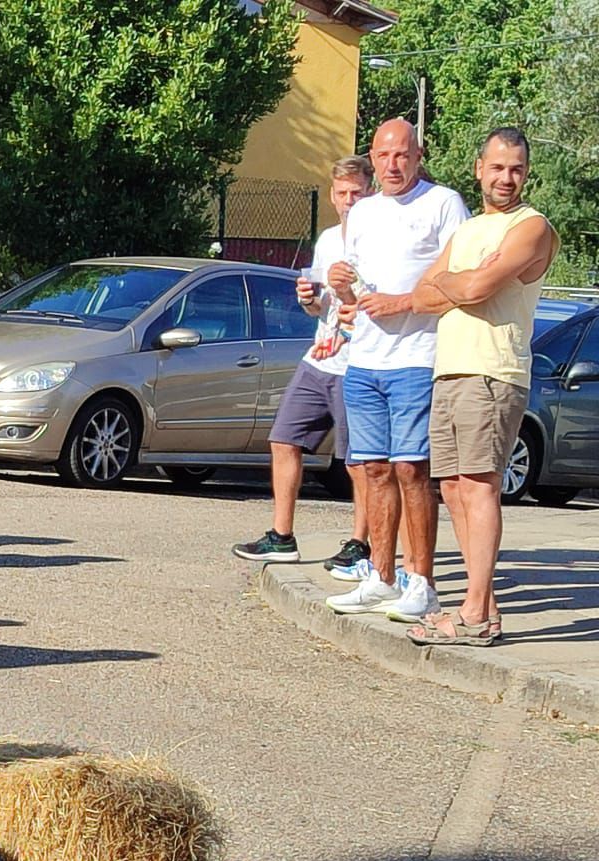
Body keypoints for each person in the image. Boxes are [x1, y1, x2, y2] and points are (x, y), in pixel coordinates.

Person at [404, 127, 559, 647]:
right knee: (452, 487)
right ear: (478, 169)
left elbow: (472, 288)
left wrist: (459, 282)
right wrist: (460, 282)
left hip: (493, 372)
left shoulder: (531, 227)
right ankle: (482, 607)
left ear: (526, 172)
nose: (506, 178)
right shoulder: (470, 230)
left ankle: (472, 612)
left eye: (515, 168)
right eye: (497, 167)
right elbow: (423, 296)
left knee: (480, 484)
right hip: (450, 369)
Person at [324, 118, 468, 622]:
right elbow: (356, 291)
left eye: (402, 155)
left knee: (412, 470)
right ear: (372, 155)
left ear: (418, 154)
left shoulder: (443, 203)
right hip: (364, 359)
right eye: (384, 156)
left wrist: (404, 303)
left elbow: (458, 282)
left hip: (417, 358)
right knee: (373, 470)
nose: (392, 165)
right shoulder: (362, 212)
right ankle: (381, 576)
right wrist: (340, 285)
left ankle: (421, 581)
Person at [233, 156, 374, 567]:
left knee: (359, 461)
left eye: (357, 193)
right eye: (343, 193)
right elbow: (321, 309)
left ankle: (360, 544)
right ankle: (282, 536)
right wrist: (310, 300)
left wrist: (348, 294)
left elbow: (380, 304)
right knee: (283, 438)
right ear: (332, 195)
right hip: (321, 356)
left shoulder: (380, 240)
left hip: (359, 363)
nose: (349, 201)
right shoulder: (329, 239)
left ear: (370, 193)